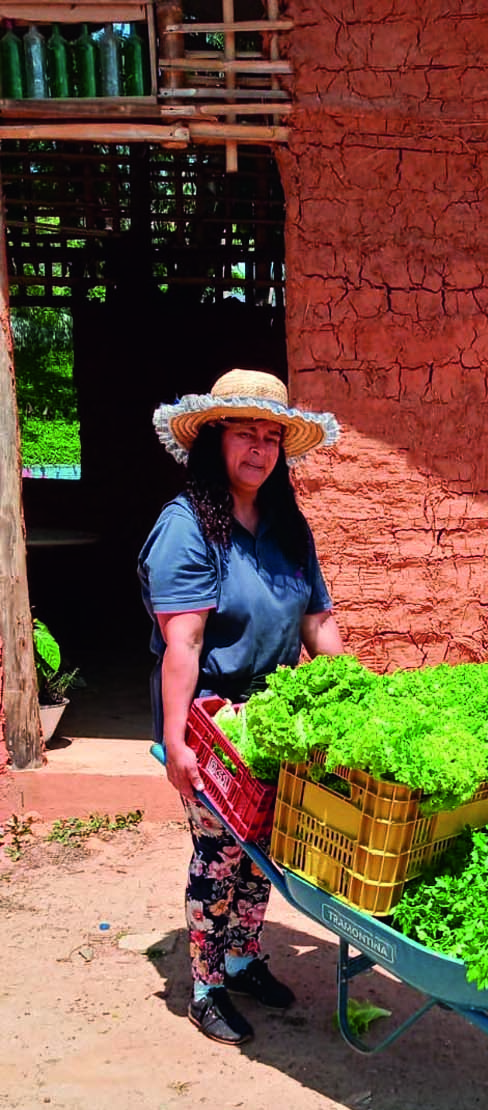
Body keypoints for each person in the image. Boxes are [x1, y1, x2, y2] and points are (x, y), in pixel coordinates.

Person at [138, 368, 343, 1046]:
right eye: (244, 435)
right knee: (219, 854)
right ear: (213, 442)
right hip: (212, 719)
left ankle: (244, 956)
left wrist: (354, 695)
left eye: (270, 437)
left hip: (275, 717)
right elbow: (185, 641)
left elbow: (316, 622)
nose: (258, 450)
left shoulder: (287, 525)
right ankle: (204, 987)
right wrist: (177, 739)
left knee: (264, 852)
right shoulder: (188, 527)